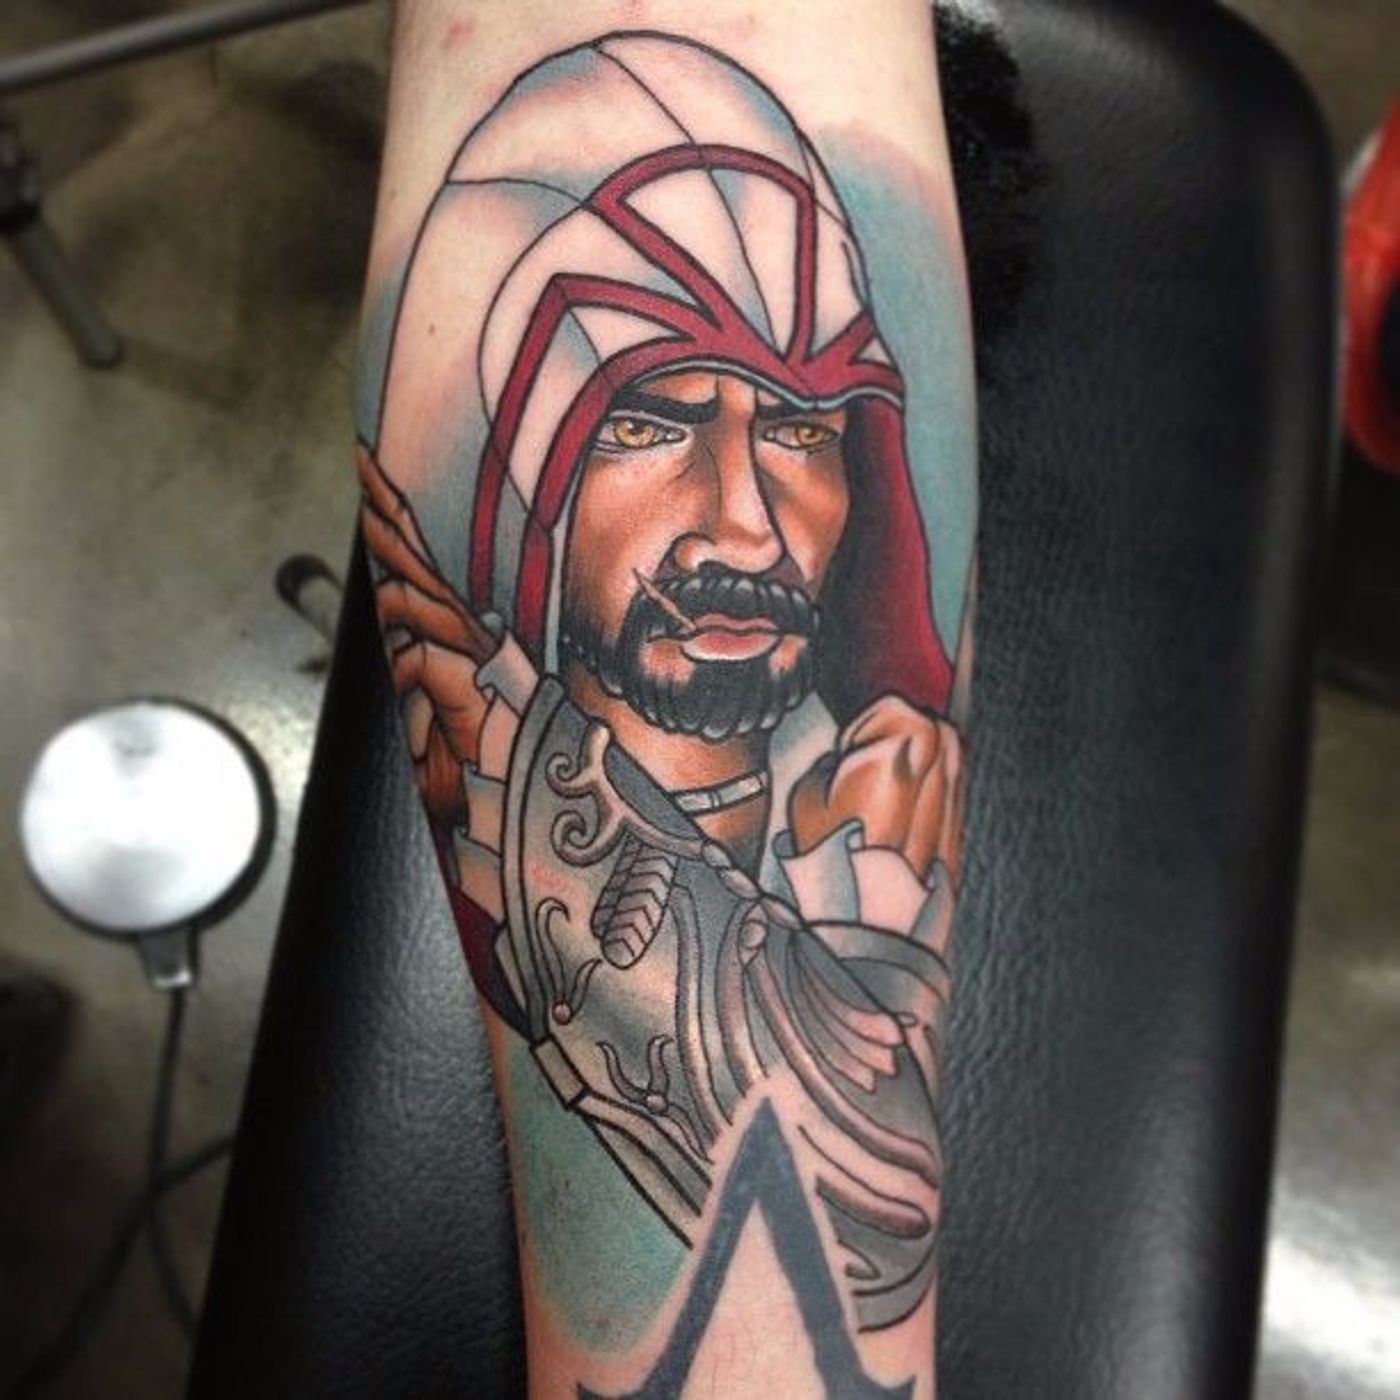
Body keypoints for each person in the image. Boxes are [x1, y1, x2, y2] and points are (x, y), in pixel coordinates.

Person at [356, 7, 975, 1394]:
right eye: (649, 423)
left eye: (800, 432)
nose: (746, 526)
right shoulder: (520, 797)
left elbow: (870, 1206)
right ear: (528, 472)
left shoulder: (869, 815)